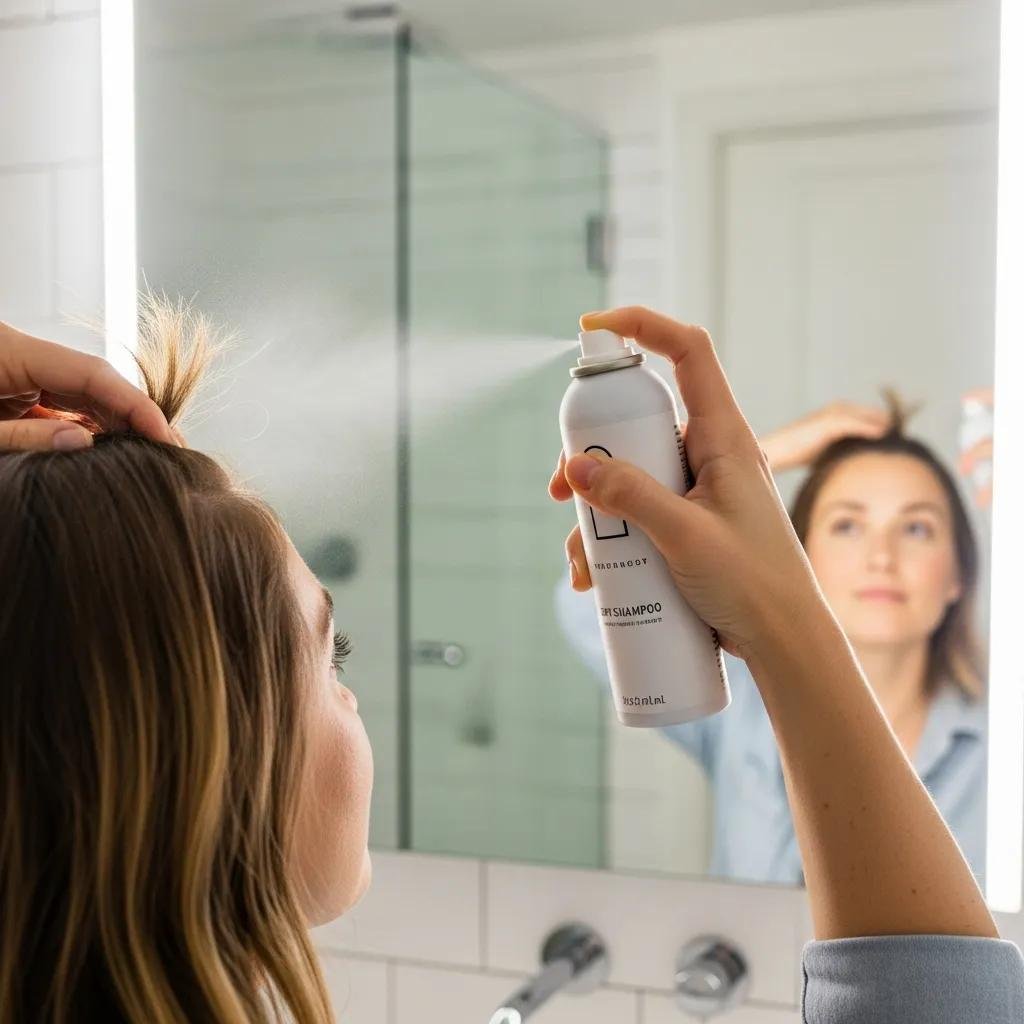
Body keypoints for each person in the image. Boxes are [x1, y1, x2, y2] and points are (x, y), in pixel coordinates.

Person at [0, 305, 1021, 1022]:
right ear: (194, 749)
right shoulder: (748, 711)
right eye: (330, 655)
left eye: (916, 529)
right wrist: (787, 620)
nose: (881, 557)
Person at [555, 395, 989, 885]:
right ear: (801, 561)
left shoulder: (1003, 742)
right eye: (847, 525)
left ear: (959, 574)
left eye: (916, 528)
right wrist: (744, 465)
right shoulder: (738, 701)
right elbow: (583, 597)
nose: (881, 557)